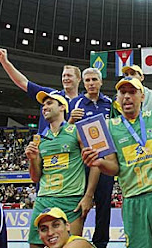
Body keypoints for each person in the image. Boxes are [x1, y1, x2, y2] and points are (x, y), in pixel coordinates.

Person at [82, 77, 152, 248]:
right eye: (123, 92)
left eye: (132, 92)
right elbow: (114, 168)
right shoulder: (108, 127)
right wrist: (99, 163)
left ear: (142, 96)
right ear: (117, 99)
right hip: (134, 200)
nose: (127, 96)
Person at [25, 92, 99, 248]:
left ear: (62, 107)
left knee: (73, 245)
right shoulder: (40, 138)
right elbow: (35, 177)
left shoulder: (77, 131)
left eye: (49, 103)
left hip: (71, 199)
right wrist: (32, 159)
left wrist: (88, 196)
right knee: (34, 245)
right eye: (43, 105)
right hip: (44, 198)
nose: (45, 107)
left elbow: (95, 163)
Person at [68, 68, 113, 248]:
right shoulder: (75, 103)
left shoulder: (110, 103)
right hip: (83, 163)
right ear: (83, 83)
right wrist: (70, 120)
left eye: (94, 79)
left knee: (104, 205)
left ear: (101, 82)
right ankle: (77, 241)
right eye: (87, 80)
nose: (91, 83)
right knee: (81, 204)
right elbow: (66, 131)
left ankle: (101, 243)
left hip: (106, 162)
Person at [0, 48, 81, 134]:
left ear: (79, 79)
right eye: (64, 76)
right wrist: (5, 62)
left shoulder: (83, 101)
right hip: (45, 144)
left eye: (69, 76)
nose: (65, 78)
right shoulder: (51, 94)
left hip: (70, 145)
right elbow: (23, 82)